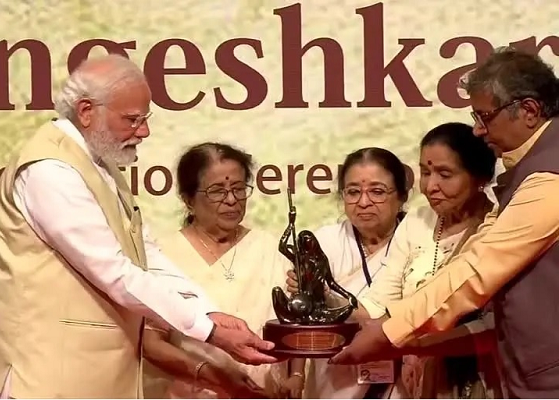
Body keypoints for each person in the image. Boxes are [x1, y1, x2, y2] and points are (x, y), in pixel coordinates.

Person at [0, 55, 276, 399]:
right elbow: (115, 271)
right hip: (37, 375)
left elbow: (143, 255)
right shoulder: (51, 170)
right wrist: (208, 331)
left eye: (145, 119)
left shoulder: (99, 162)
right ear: (86, 111)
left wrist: (206, 311)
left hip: (81, 375)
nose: (144, 131)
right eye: (132, 120)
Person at [330, 47, 559, 398]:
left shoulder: (550, 177)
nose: (478, 130)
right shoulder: (525, 173)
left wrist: (392, 331)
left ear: (528, 111)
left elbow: (478, 269)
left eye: (485, 117)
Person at [142, 142, 301, 399]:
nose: (231, 200)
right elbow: (151, 343)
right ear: (189, 200)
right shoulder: (163, 255)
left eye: (238, 189)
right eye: (217, 191)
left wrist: (297, 376)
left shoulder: (270, 248)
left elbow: (295, 326)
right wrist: (213, 377)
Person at [287, 147, 412, 398]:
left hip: (402, 380)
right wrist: (297, 374)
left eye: (377, 191)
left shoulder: (417, 240)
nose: (363, 202)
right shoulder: (325, 241)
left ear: (401, 196)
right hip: (333, 382)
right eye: (353, 192)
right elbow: (302, 319)